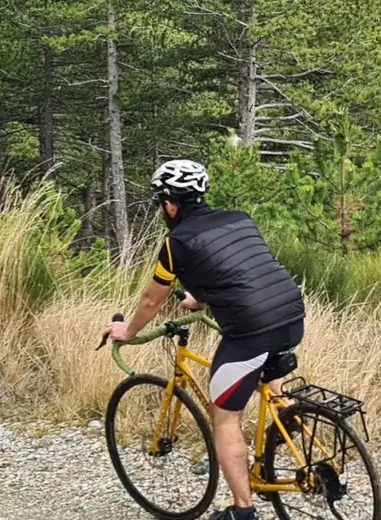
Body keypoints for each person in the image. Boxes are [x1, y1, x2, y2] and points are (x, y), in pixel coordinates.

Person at [102, 159, 307, 520]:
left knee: (225, 418)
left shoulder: (176, 242)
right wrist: (198, 297)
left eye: (159, 204)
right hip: (291, 313)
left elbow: (152, 299)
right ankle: (284, 413)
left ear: (169, 204)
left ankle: (243, 511)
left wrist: (128, 331)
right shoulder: (240, 218)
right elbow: (237, 269)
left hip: (250, 329)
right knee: (266, 370)